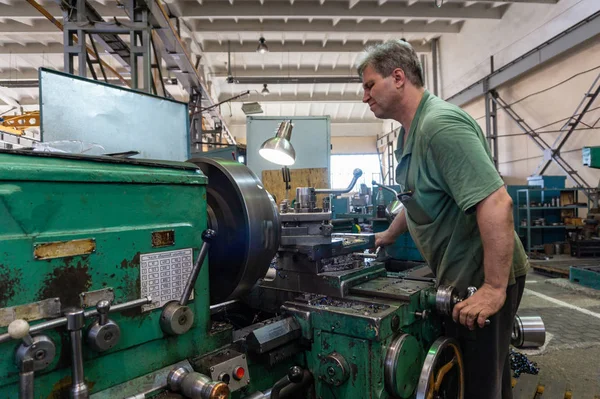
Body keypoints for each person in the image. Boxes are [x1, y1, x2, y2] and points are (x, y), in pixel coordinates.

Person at [358, 40, 529, 399]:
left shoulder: (439, 126)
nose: (364, 96)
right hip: (459, 278)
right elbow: (417, 198)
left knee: (480, 387)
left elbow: (497, 202)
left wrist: (495, 288)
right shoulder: (411, 133)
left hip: (482, 280)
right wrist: (388, 235)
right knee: (469, 378)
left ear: (399, 77)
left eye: (369, 84)